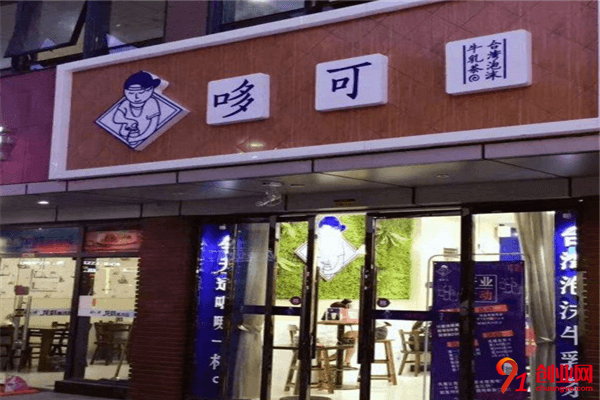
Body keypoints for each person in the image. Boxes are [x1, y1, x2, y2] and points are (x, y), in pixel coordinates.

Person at [113, 71, 162, 147]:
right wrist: (128, 121)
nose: (136, 97)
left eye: (141, 92)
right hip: (126, 135)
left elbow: (152, 127)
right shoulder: (126, 103)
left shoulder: (151, 102)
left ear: (150, 90)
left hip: (142, 135)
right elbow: (116, 118)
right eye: (131, 93)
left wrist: (137, 138)